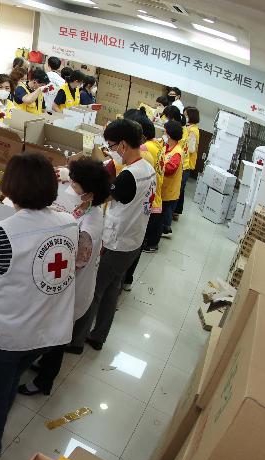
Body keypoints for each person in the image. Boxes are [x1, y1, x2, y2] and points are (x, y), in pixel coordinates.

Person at [0, 153, 77, 459]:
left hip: (6, 333)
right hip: (45, 330)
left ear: (10, 187)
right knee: (8, 381)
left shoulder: (1, 233)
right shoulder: (69, 223)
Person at [18, 159, 111, 396]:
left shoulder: (88, 229)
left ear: (88, 193)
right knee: (53, 334)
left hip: (72, 292)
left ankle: (43, 382)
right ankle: (43, 363)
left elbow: (72, 265)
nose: (71, 188)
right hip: (70, 290)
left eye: (76, 185)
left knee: (57, 337)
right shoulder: (90, 206)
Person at [69, 119, 156, 353]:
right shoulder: (148, 168)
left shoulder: (130, 175)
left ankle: (76, 341)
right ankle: (98, 336)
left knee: (94, 291)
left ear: (124, 145)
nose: (111, 152)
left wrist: (76, 185)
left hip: (117, 244)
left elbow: (99, 198)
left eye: (111, 146)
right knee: (112, 288)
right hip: (134, 242)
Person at [121, 109, 165, 291]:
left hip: (147, 201)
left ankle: (124, 279)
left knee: (133, 242)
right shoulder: (158, 146)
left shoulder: (144, 152)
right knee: (138, 242)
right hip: (155, 198)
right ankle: (128, 280)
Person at [150, 120, 184, 249]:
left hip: (168, 191)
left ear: (169, 134)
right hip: (162, 188)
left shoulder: (177, 152)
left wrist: (158, 163)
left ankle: (153, 244)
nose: (163, 133)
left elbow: (170, 169)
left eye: (164, 131)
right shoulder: (166, 146)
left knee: (159, 219)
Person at [174, 106, 200, 224]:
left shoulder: (193, 130)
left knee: (179, 189)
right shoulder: (190, 128)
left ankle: (175, 212)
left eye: (186, 114)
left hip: (186, 163)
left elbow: (191, 148)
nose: (184, 116)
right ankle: (176, 212)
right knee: (181, 189)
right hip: (185, 162)